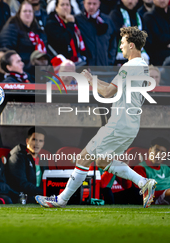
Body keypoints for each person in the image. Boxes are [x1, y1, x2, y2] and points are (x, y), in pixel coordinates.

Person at [35, 26, 158, 208]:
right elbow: (112, 87)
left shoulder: (129, 67)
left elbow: (107, 93)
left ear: (132, 45)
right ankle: (143, 183)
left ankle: (61, 200)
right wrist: (92, 78)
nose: (120, 47)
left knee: (83, 157)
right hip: (130, 124)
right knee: (102, 160)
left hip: (119, 122)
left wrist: (90, 81)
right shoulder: (141, 66)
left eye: (122, 43)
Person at [0, 1, 48, 77]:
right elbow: (7, 50)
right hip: (23, 67)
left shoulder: (37, 29)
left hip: (38, 68)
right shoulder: (11, 27)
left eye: (30, 11)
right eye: (25, 11)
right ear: (19, 13)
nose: (28, 14)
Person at [133, 137, 170, 205]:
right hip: (155, 199)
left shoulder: (167, 169)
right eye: (156, 150)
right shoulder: (140, 168)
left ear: (165, 155)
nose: (158, 154)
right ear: (150, 151)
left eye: (162, 152)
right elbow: (140, 193)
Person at [75, 0, 117, 66]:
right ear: (84, 3)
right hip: (86, 69)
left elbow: (113, 42)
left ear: (99, 4)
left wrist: (110, 60)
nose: (91, 6)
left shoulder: (107, 20)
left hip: (105, 68)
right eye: (89, 3)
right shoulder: (77, 20)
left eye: (94, 4)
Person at [109, 0, 150, 65]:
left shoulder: (140, 16)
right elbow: (117, 33)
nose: (130, 1)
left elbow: (146, 36)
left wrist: (127, 31)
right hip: (120, 59)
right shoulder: (115, 14)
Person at [6, 127, 47, 203]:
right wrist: (44, 192)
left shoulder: (43, 160)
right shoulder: (17, 157)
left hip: (39, 196)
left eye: (40, 141)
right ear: (27, 141)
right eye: (34, 140)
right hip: (23, 197)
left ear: (43, 144)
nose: (37, 143)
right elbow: (21, 184)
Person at [45, 0, 85, 64]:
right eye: (62, 5)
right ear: (56, 8)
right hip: (61, 64)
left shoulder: (74, 21)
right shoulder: (51, 24)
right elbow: (64, 40)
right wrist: (70, 24)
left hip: (76, 61)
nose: (65, 7)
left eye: (67, 5)